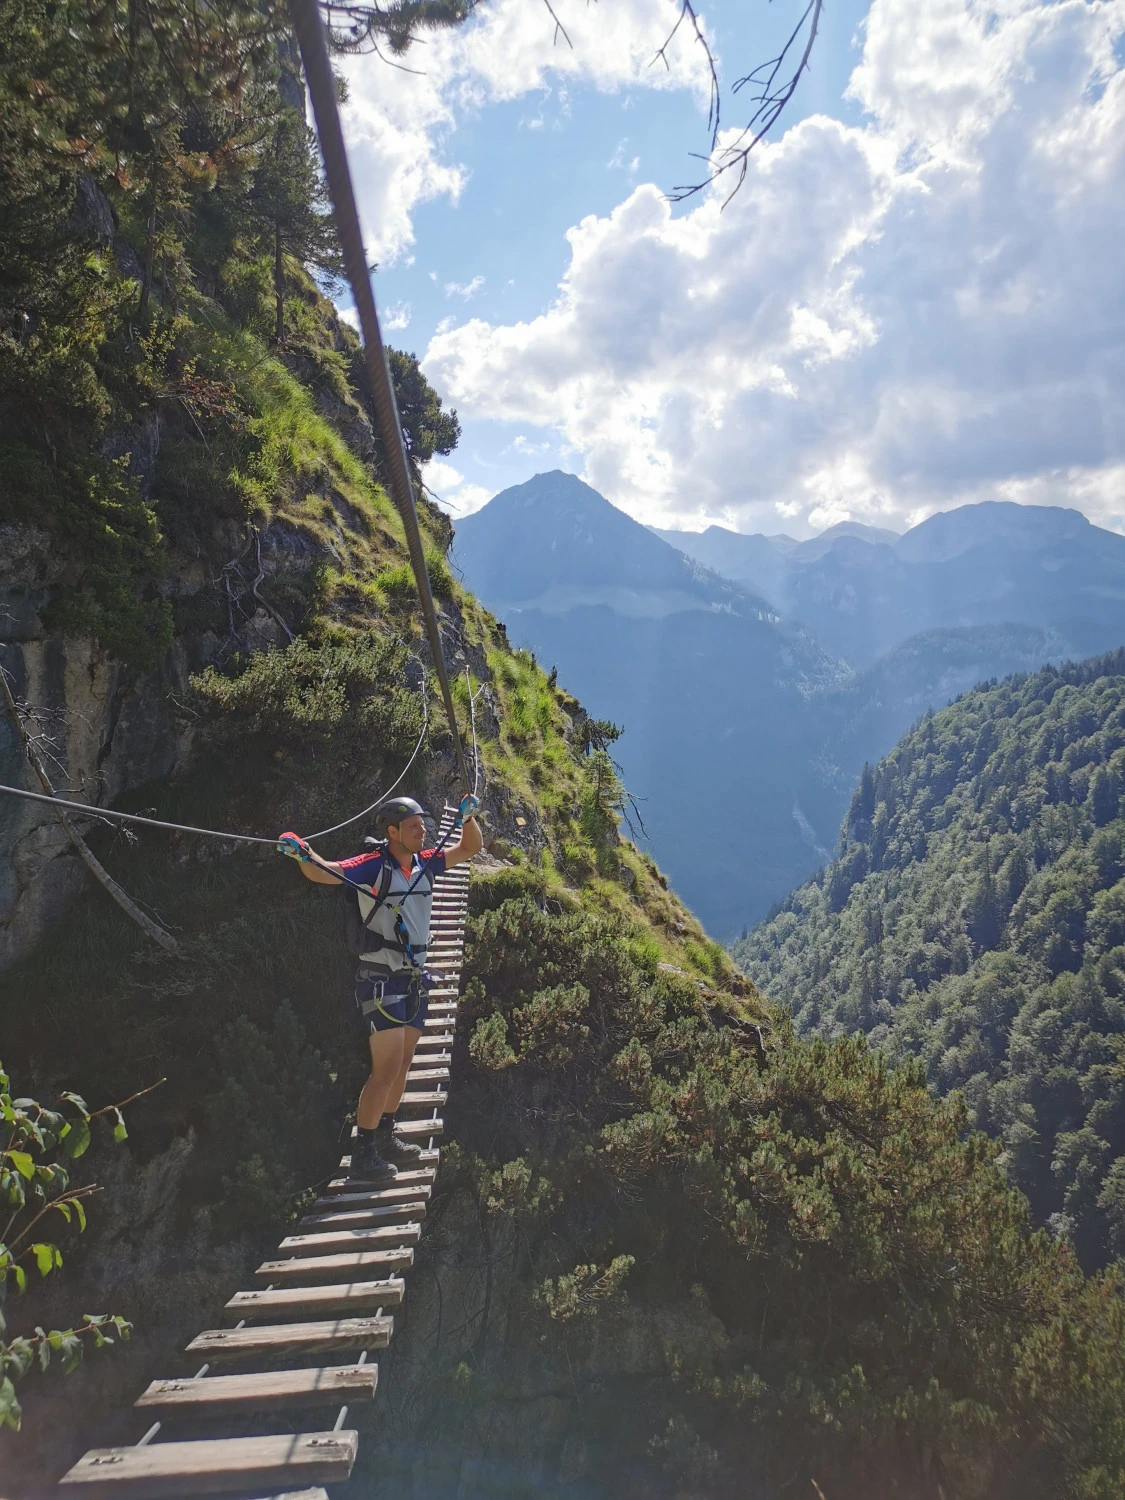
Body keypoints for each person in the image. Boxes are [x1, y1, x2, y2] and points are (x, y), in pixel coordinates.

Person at [278, 795, 482, 1185]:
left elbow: (469, 848)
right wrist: (302, 851)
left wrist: (469, 818)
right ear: (392, 832)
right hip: (381, 978)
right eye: (414, 826)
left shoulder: (426, 863)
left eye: (423, 825)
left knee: (402, 1063)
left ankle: (386, 1135)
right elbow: (327, 872)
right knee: (385, 1068)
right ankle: (364, 1153)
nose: (423, 831)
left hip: (414, 980)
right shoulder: (374, 865)